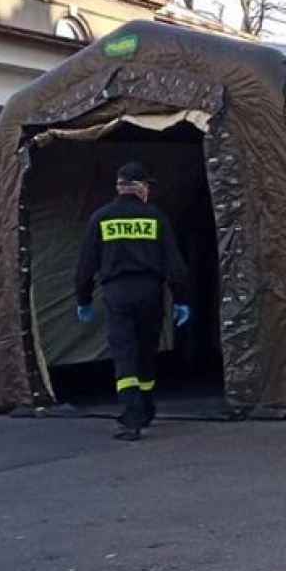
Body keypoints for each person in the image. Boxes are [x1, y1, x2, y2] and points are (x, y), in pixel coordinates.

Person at [73, 160, 191, 440]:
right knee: (147, 349)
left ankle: (132, 415)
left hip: (117, 292)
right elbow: (174, 263)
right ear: (139, 189)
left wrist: (83, 299)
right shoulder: (155, 217)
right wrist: (181, 299)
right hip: (150, 291)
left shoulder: (101, 218)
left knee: (124, 351)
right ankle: (146, 407)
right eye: (148, 187)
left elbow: (86, 265)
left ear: (119, 187)